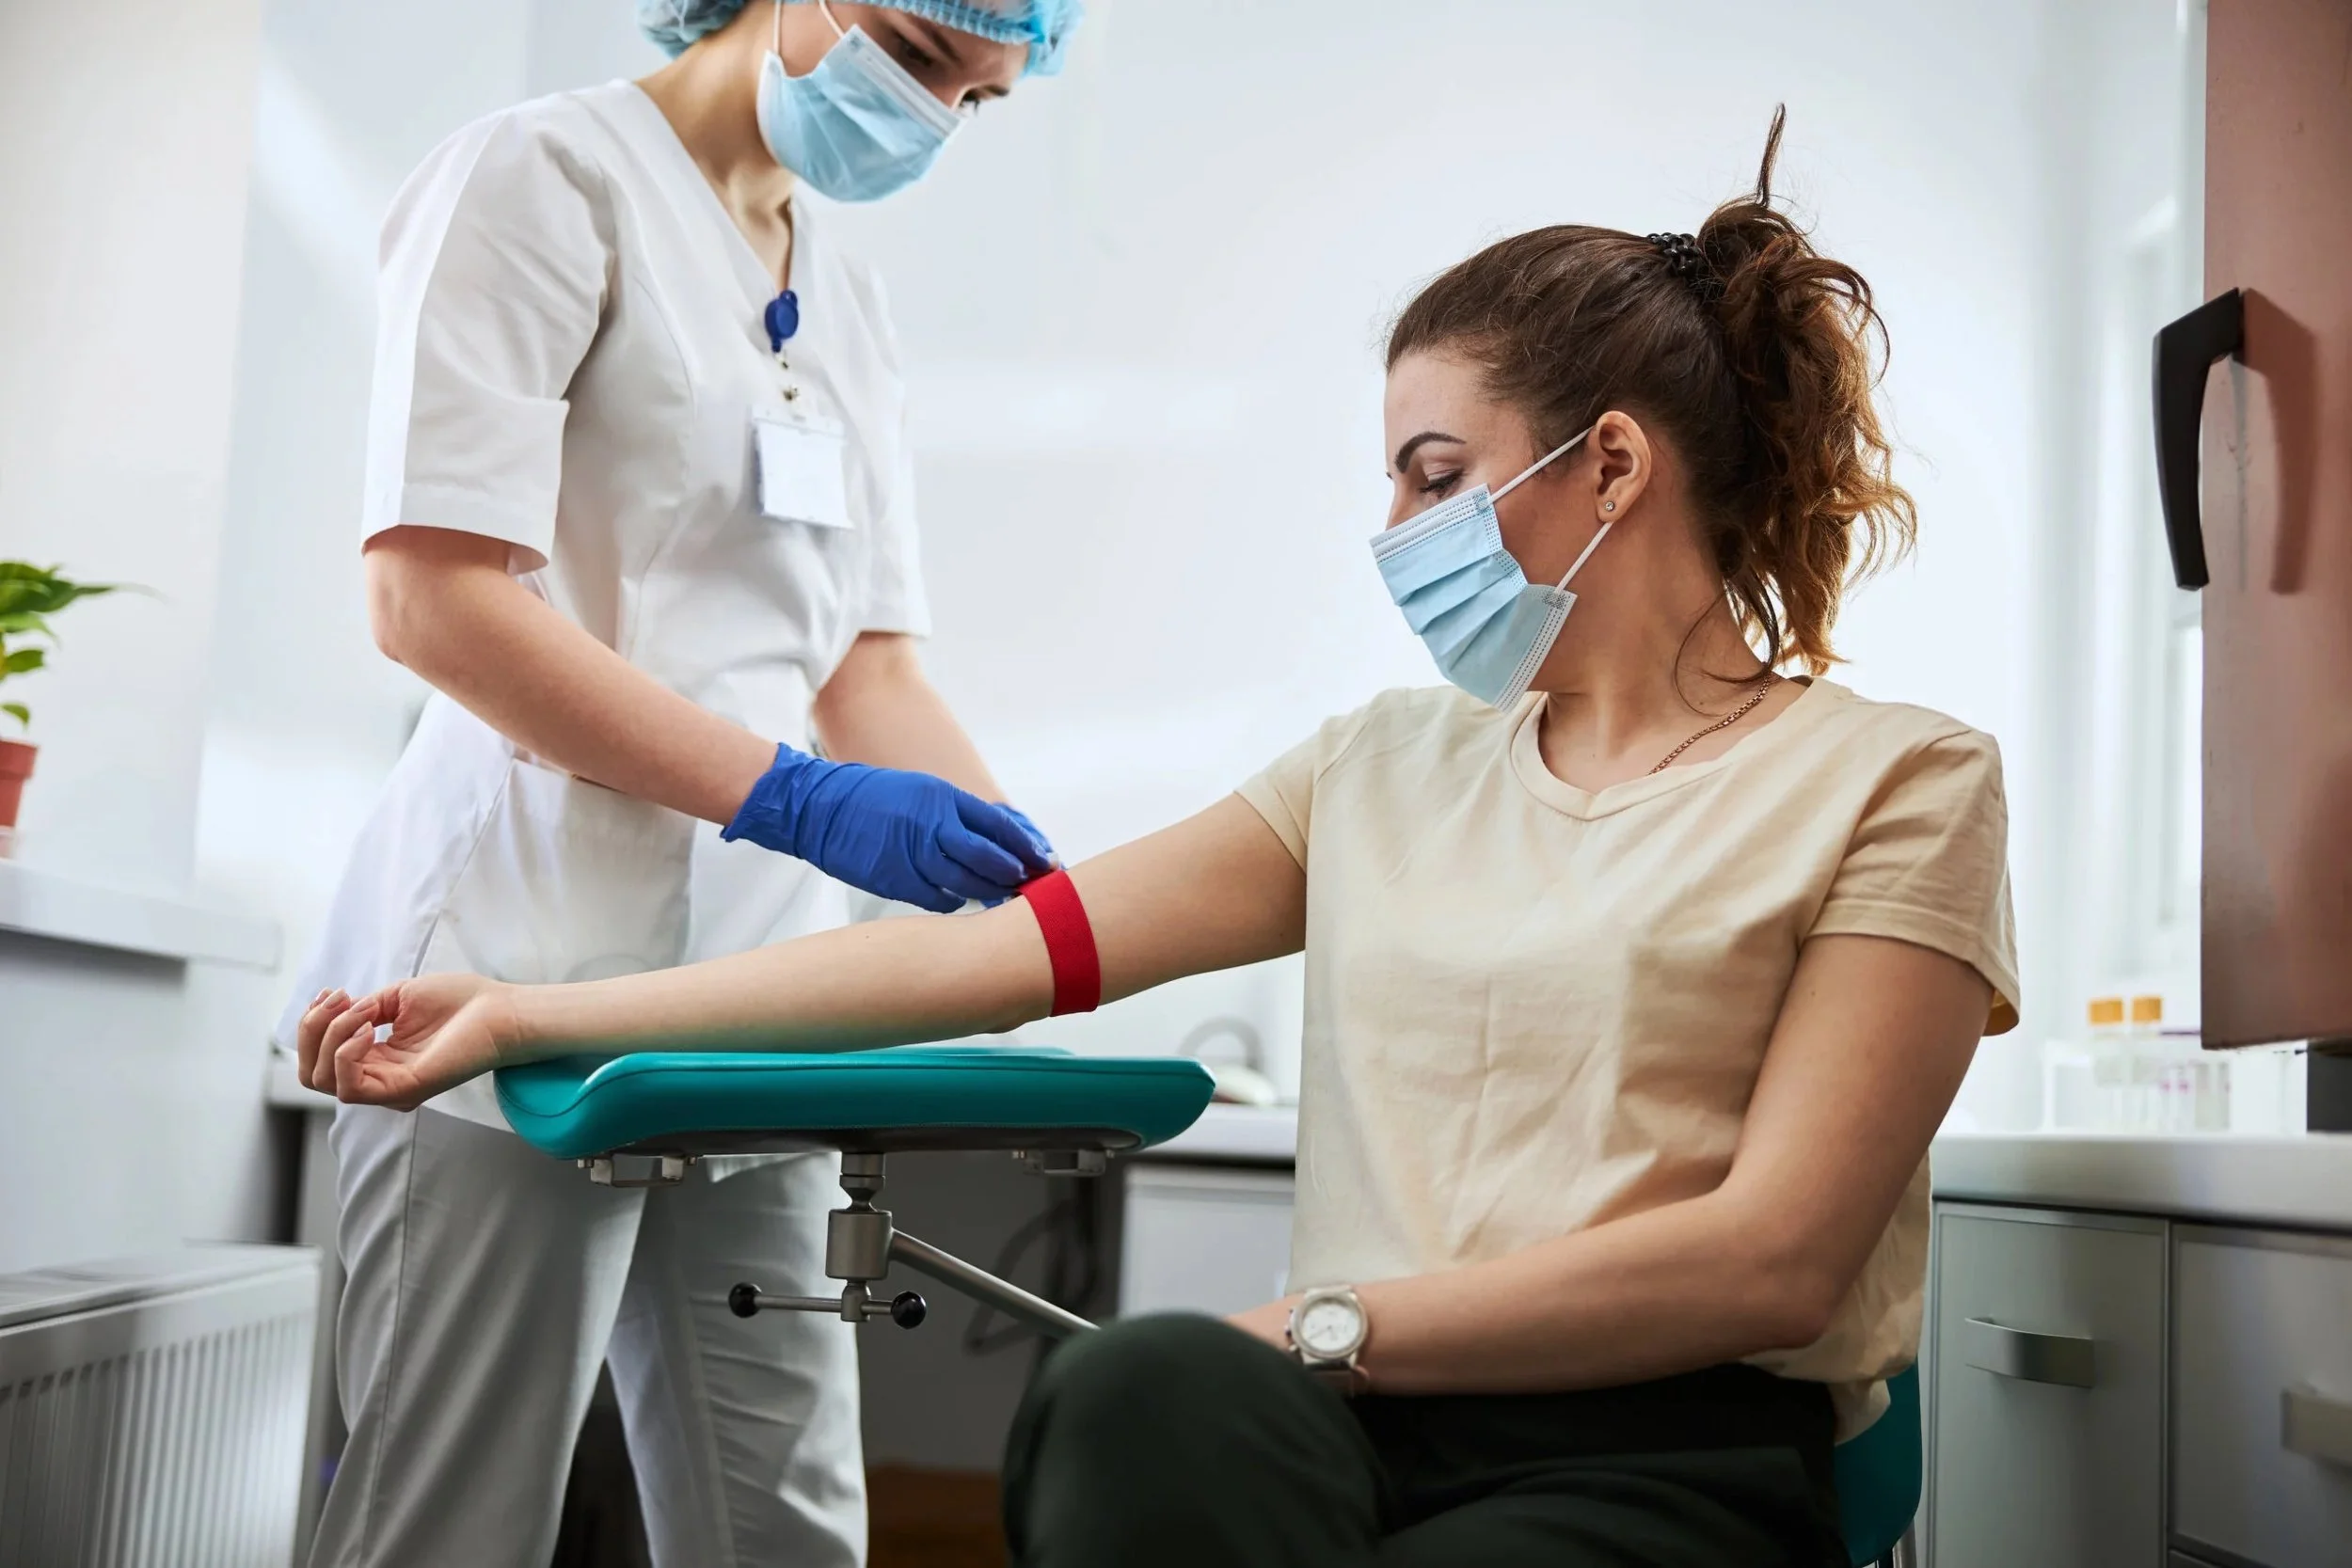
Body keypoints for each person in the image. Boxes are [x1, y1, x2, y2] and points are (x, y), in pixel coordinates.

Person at [303, 112, 2017, 1567]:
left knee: (1218, 1385)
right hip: (1358, 1428)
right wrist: (531, 1012)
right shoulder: (1381, 768)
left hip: (1663, 1450)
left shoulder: (1898, 781)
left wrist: (1314, 1332)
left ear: (1613, 465)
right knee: (1126, 1389)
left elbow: (1776, 1257)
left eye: (1433, 473)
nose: (1396, 530)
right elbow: (983, 958)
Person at [278, 2, 1080, 1564]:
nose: (930, 116)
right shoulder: (544, 178)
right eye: (920, 55)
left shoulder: (845, 295)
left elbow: (869, 672)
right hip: (513, 950)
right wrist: (794, 796)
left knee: (785, 1518)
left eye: (976, 99)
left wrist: (1052, 904)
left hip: (754, 1001)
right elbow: (436, 596)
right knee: (455, 1520)